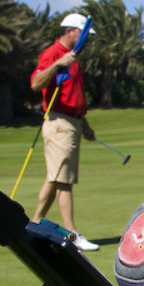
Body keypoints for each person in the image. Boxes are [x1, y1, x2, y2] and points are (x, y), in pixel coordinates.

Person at [30, 13, 100, 252]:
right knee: (64, 182)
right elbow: (36, 83)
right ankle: (72, 234)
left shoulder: (74, 58)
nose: (84, 41)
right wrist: (58, 64)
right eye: (82, 35)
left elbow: (75, 94)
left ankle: (34, 222)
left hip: (73, 122)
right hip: (59, 122)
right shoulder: (54, 54)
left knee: (55, 177)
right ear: (70, 31)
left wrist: (85, 123)